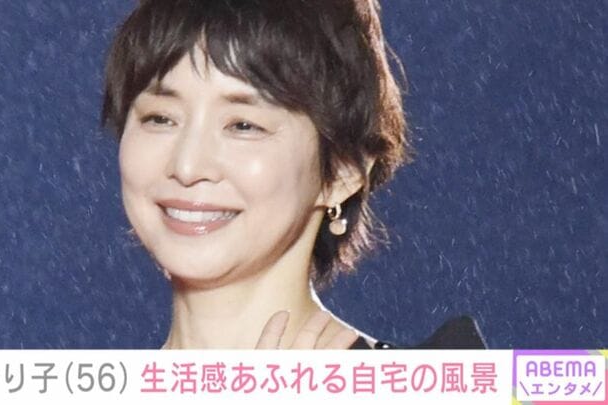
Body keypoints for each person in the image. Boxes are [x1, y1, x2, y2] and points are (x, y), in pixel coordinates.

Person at [101, 0, 486, 349]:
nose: (186, 167)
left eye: (243, 126)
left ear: (342, 172)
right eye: (160, 118)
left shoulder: (458, 387)